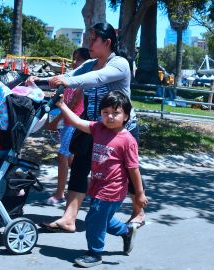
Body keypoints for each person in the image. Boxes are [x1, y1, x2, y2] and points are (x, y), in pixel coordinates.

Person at [30, 23, 145, 232]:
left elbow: (95, 78)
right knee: (80, 166)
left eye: (93, 39)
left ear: (107, 42)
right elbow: (69, 76)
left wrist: (68, 82)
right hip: (92, 125)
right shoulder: (90, 63)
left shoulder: (119, 64)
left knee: (128, 171)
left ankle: (138, 212)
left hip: (120, 130)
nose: (88, 43)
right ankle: (69, 218)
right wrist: (39, 80)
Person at [56, 90, 148, 267]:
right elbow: (77, 122)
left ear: (126, 116)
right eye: (105, 112)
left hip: (113, 189)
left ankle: (94, 253)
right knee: (102, 219)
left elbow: (133, 169)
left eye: (116, 112)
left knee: (93, 219)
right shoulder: (98, 129)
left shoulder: (127, 140)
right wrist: (61, 105)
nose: (110, 116)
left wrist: (140, 194)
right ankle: (126, 231)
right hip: (97, 185)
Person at [43, 48, 90, 207]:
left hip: (73, 123)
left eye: (79, 60)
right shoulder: (70, 78)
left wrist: (55, 121)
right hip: (66, 123)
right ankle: (89, 188)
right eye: (74, 59)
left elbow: (72, 104)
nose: (75, 62)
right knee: (71, 160)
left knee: (63, 156)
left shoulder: (83, 82)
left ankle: (59, 194)